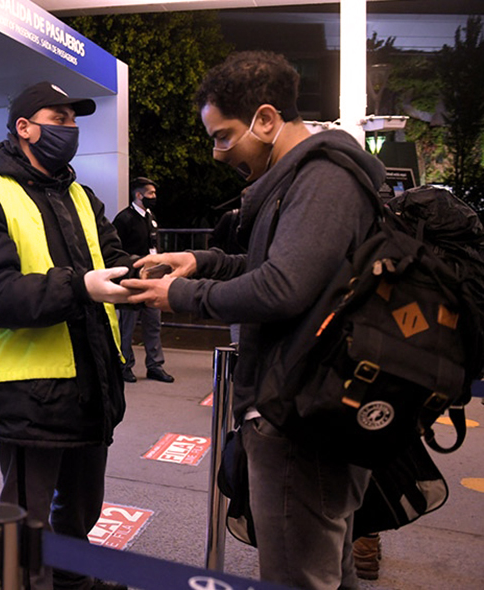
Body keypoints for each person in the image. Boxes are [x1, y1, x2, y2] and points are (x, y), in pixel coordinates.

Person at [123, 51, 386, 589]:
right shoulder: (300, 181)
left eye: (224, 136)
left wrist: (184, 294)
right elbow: (281, 266)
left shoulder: (322, 179)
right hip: (304, 407)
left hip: (301, 418)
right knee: (324, 570)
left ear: (267, 120)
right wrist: (202, 261)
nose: (219, 153)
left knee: (298, 576)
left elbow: (282, 287)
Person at [0, 81, 134, 590]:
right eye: (59, 118)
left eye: (73, 120)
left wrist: (141, 274)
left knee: (81, 504)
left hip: (90, 379)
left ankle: (74, 578)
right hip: (29, 391)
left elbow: (112, 258)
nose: (70, 129)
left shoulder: (81, 195)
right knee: (26, 515)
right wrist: (80, 286)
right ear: (24, 128)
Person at [111, 177, 173, 384]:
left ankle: (155, 365)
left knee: (153, 322)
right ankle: (124, 364)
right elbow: (115, 250)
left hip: (153, 278)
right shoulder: (124, 219)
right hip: (132, 280)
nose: (154, 197)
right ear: (139, 195)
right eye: (151, 194)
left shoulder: (150, 217)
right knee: (127, 325)